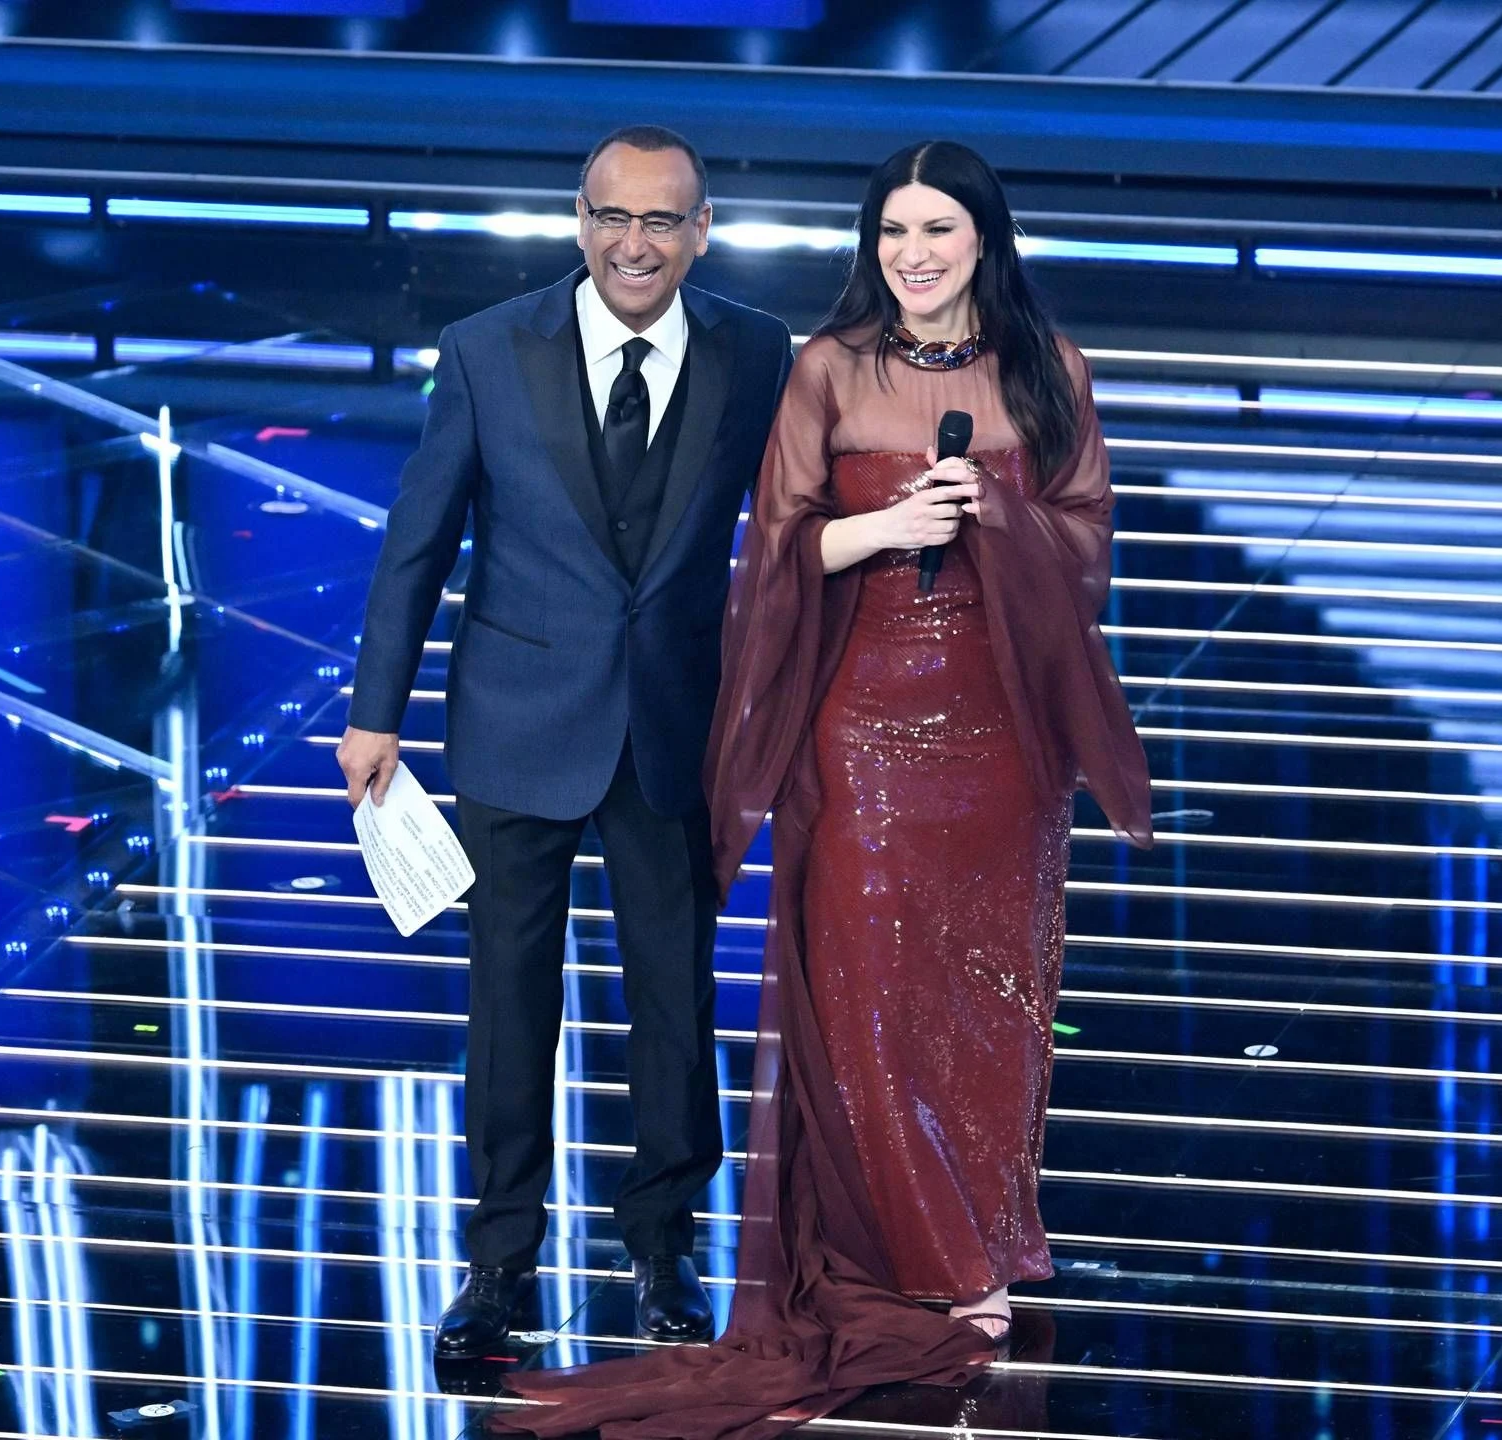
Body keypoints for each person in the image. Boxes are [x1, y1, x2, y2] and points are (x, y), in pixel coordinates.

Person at [494, 139, 1152, 1438]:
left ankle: (978, 1228)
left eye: (938, 230)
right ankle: (929, 1264)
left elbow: (1086, 552)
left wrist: (999, 518)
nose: (914, 254)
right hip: (860, 726)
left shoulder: (1048, 370)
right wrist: (887, 528)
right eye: (894, 232)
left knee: (987, 1003)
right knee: (863, 1001)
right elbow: (775, 548)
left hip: (1002, 740)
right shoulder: (829, 369)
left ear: (984, 239)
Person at [336, 124, 793, 1360]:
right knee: (508, 999)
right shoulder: (487, 349)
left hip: (672, 722)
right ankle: (498, 1259)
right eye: (611, 216)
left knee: (673, 993)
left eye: (661, 220)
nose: (633, 243)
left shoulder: (756, 352)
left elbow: (797, 527)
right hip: (515, 720)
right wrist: (375, 713)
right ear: (579, 221)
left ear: (702, 232)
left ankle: (663, 1243)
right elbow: (419, 541)